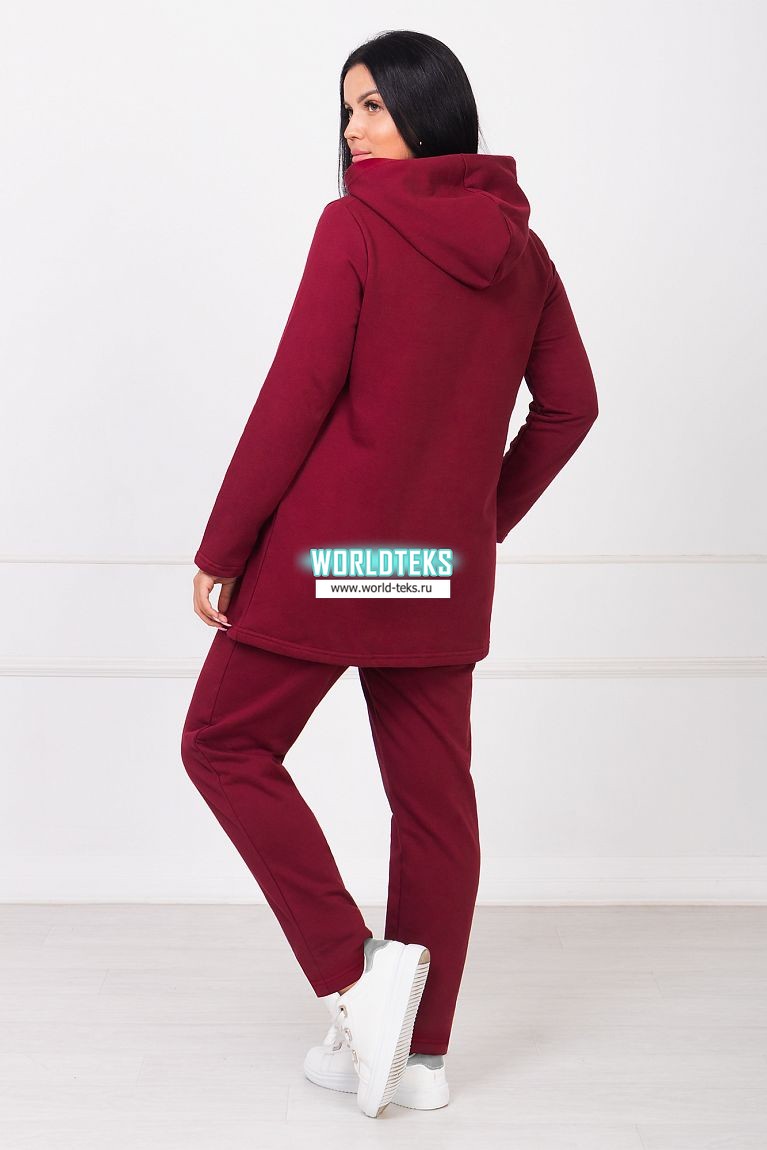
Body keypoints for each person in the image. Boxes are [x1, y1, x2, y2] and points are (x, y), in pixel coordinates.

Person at [180, 29, 599, 1119]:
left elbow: (294, 396)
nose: (353, 130)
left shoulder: (356, 225)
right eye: (347, 109)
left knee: (221, 742)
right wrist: (474, 524)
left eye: (371, 106)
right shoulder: (522, 252)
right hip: (433, 572)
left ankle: (360, 978)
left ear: (427, 110)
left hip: (329, 562)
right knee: (433, 807)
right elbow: (570, 407)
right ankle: (419, 1058)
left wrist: (224, 546)